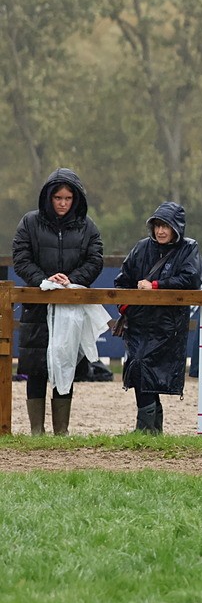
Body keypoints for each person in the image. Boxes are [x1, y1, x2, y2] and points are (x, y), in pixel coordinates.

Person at [11, 168, 104, 435]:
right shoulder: (29, 223)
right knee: (37, 367)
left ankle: (61, 431)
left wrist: (70, 280)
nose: (63, 203)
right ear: (49, 198)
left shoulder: (88, 226)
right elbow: (21, 257)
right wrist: (44, 280)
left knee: (66, 364)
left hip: (71, 306)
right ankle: (36, 432)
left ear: (75, 199)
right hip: (37, 306)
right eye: (58, 198)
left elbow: (95, 259)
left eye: (68, 198)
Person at [114, 202, 202, 434]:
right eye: (157, 225)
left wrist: (156, 286)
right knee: (138, 369)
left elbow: (191, 279)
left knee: (148, 372)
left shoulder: (189, 248)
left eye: (166, 226)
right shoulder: (141, 248)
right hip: (139, 322)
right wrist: (125, 305)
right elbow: (122, 280)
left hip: (168, 326)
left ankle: (148, 429)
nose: (160, 231)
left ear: (177, 228)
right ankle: (150, 430)